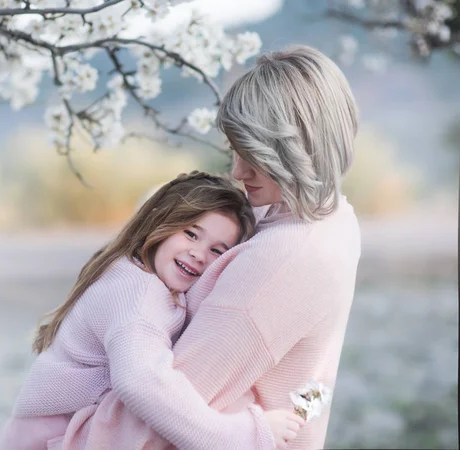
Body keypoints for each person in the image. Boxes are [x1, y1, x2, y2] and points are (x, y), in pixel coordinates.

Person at [57, 44, 362, 450]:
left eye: (254, 154)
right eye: (235, 149)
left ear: (300, 146)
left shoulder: (279, 260)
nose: (238, 170)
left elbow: (160, 414)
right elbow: (315, 381)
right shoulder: (338, 219)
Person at [0, 171, 305, 450]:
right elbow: (143, 383)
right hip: (51, 439)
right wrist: (243, 437)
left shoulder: (140, 274)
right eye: (191, 234)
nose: (198, 254)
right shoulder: (139, 295)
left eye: (216, 251)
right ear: (160, 223)